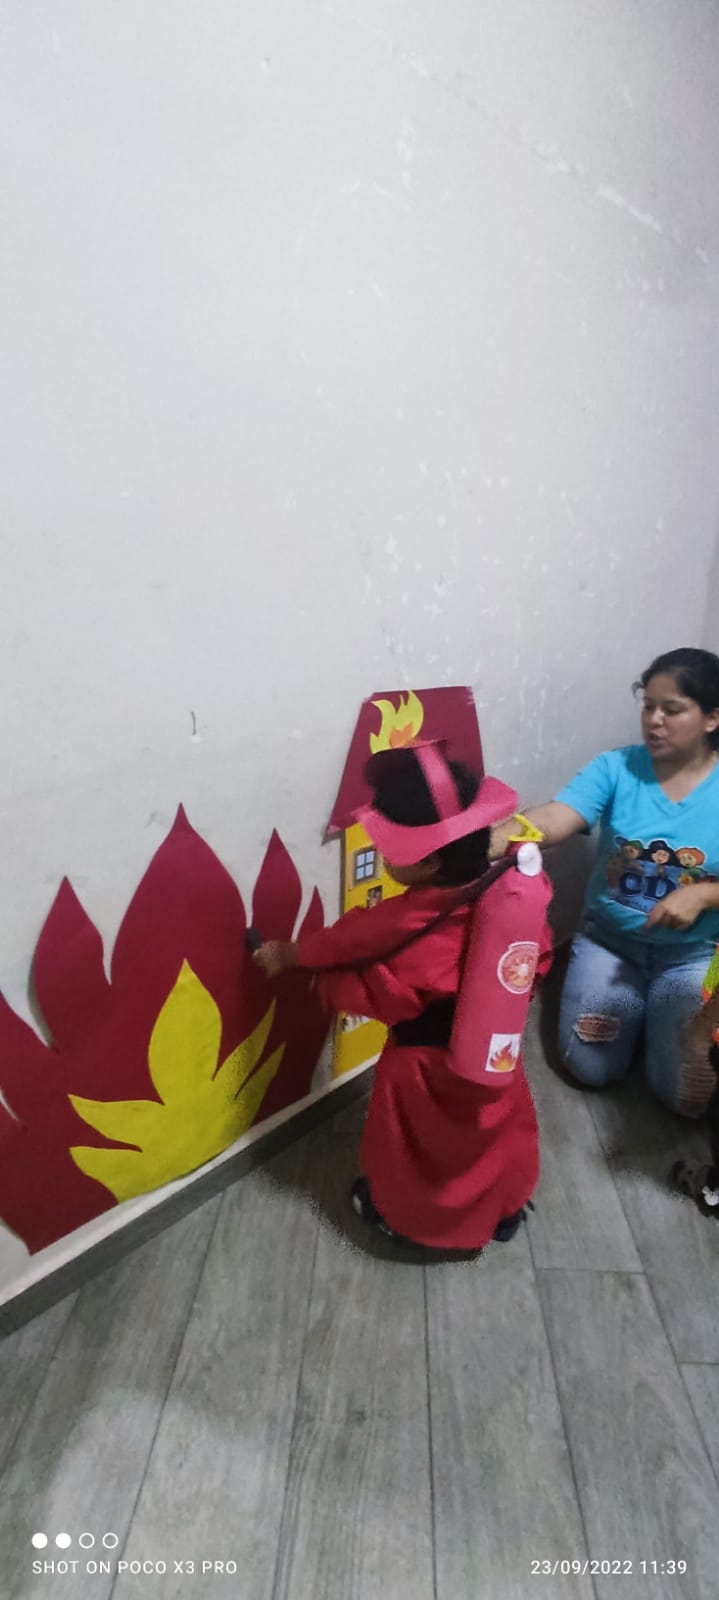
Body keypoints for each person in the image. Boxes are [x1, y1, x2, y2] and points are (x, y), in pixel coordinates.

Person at [253, 742, 553, 1250]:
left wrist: (291, 957)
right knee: (491, 1131)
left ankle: (415, 1223)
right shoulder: (508, 895)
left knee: (424, 1150)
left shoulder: (401, 924)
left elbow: (358, 966)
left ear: (429, 863)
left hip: (424, 1069)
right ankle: (501, 1208)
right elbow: (537, 958)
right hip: (495, 1049)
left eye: (390, 850)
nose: (383, 856)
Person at [490, 647, 719, 1118]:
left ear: (712, 718)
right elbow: (558, 816)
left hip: (693, 954)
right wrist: (490, 839)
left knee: (684, 1097)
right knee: (590, 1067)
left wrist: (704, 893)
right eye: (648, 706)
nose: (654, 721)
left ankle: (659, 1021)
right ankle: (645, 1018)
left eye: (672, 709)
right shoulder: (617, 768)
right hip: (609, 944)